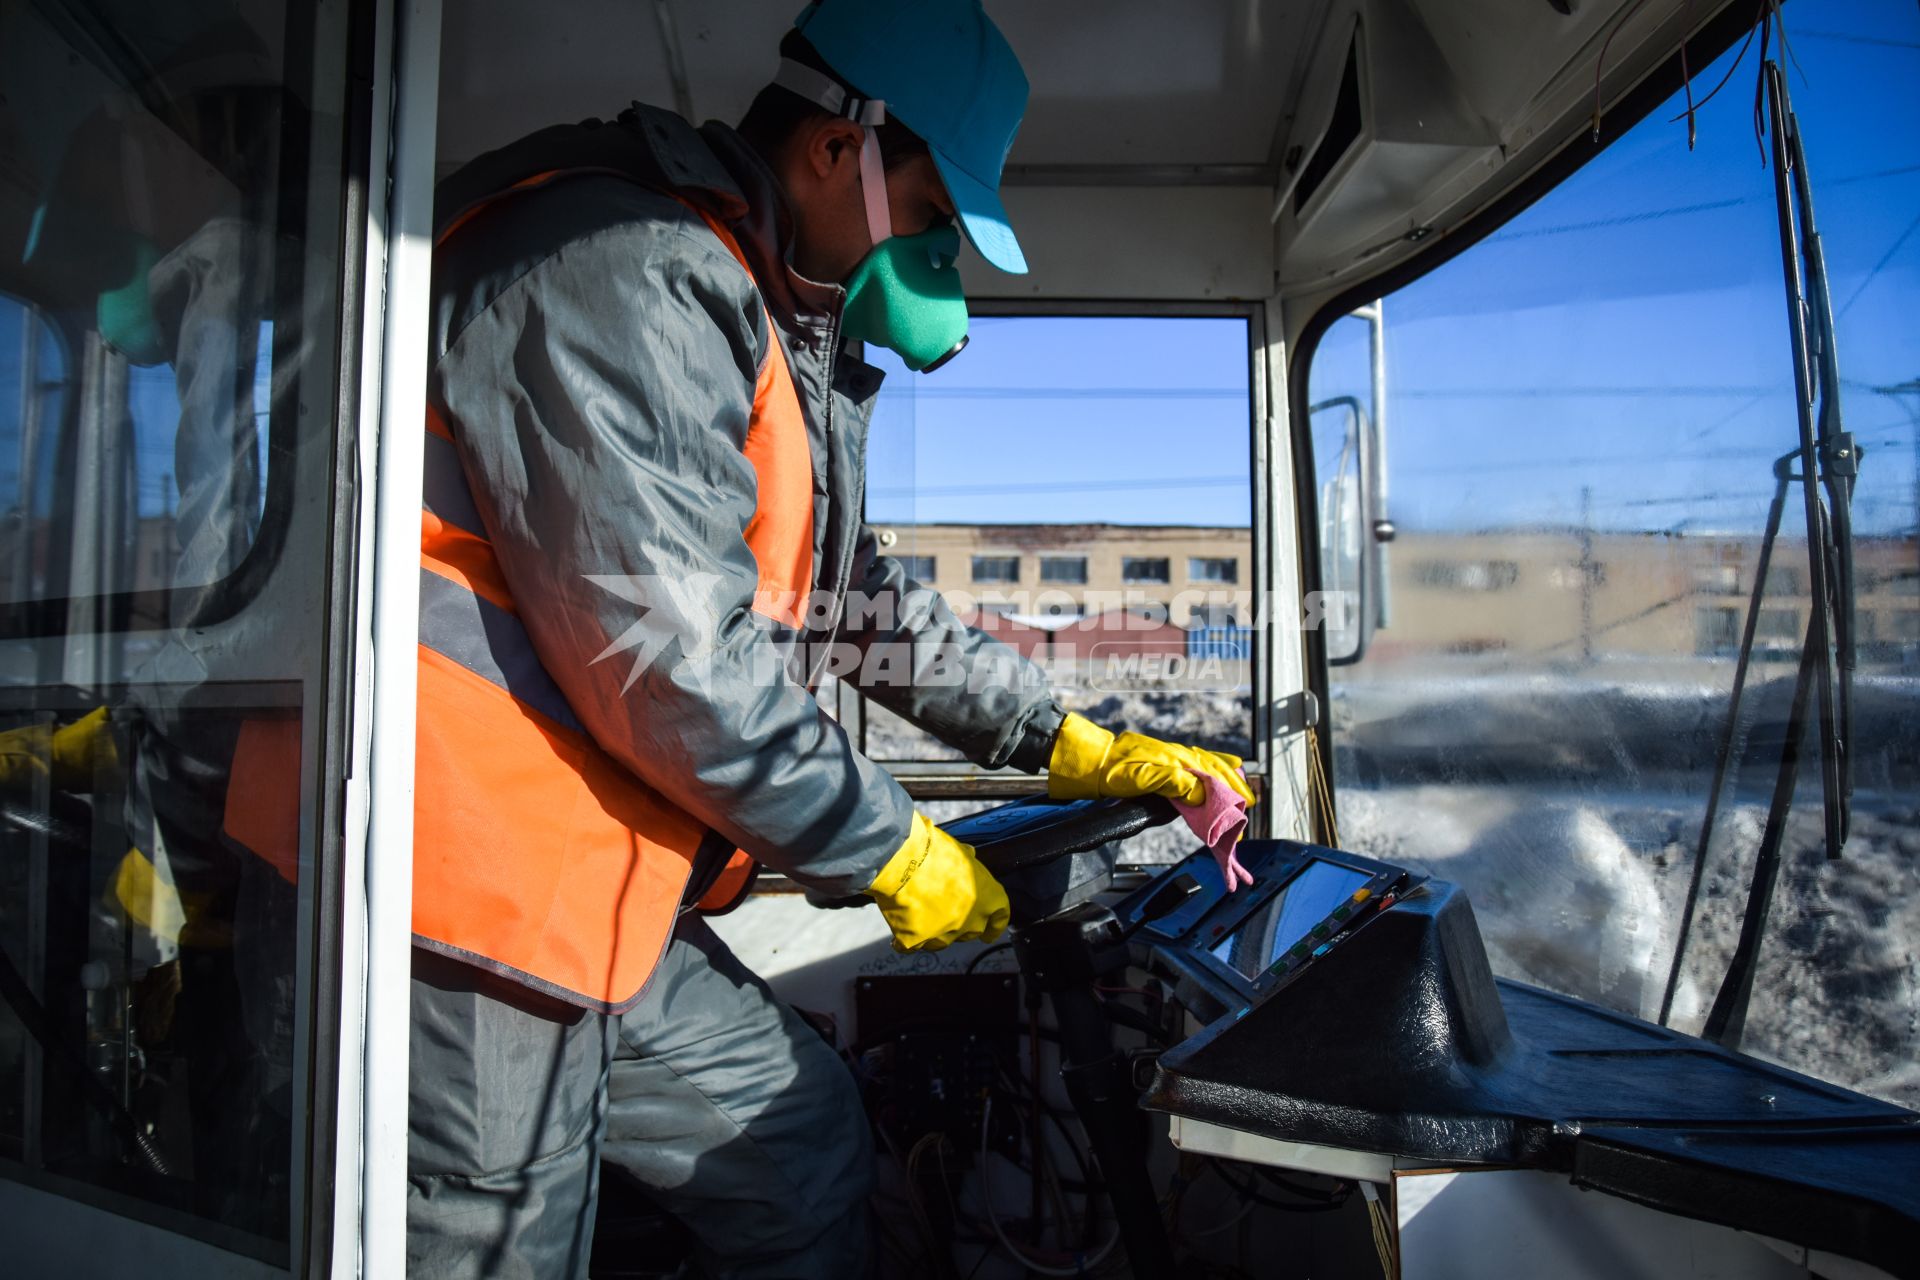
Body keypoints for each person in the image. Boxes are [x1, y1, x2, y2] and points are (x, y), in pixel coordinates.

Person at [408, 2, 1257, 1276]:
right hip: (450, 884)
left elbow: (867, 610)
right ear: (832, 149)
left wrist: (1072, 741)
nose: (934, 265)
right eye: (928, 219)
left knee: (801, 1148)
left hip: (584, 881)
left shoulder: (760, 325)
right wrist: (895, 848)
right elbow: (676, 660)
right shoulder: (625, 261)